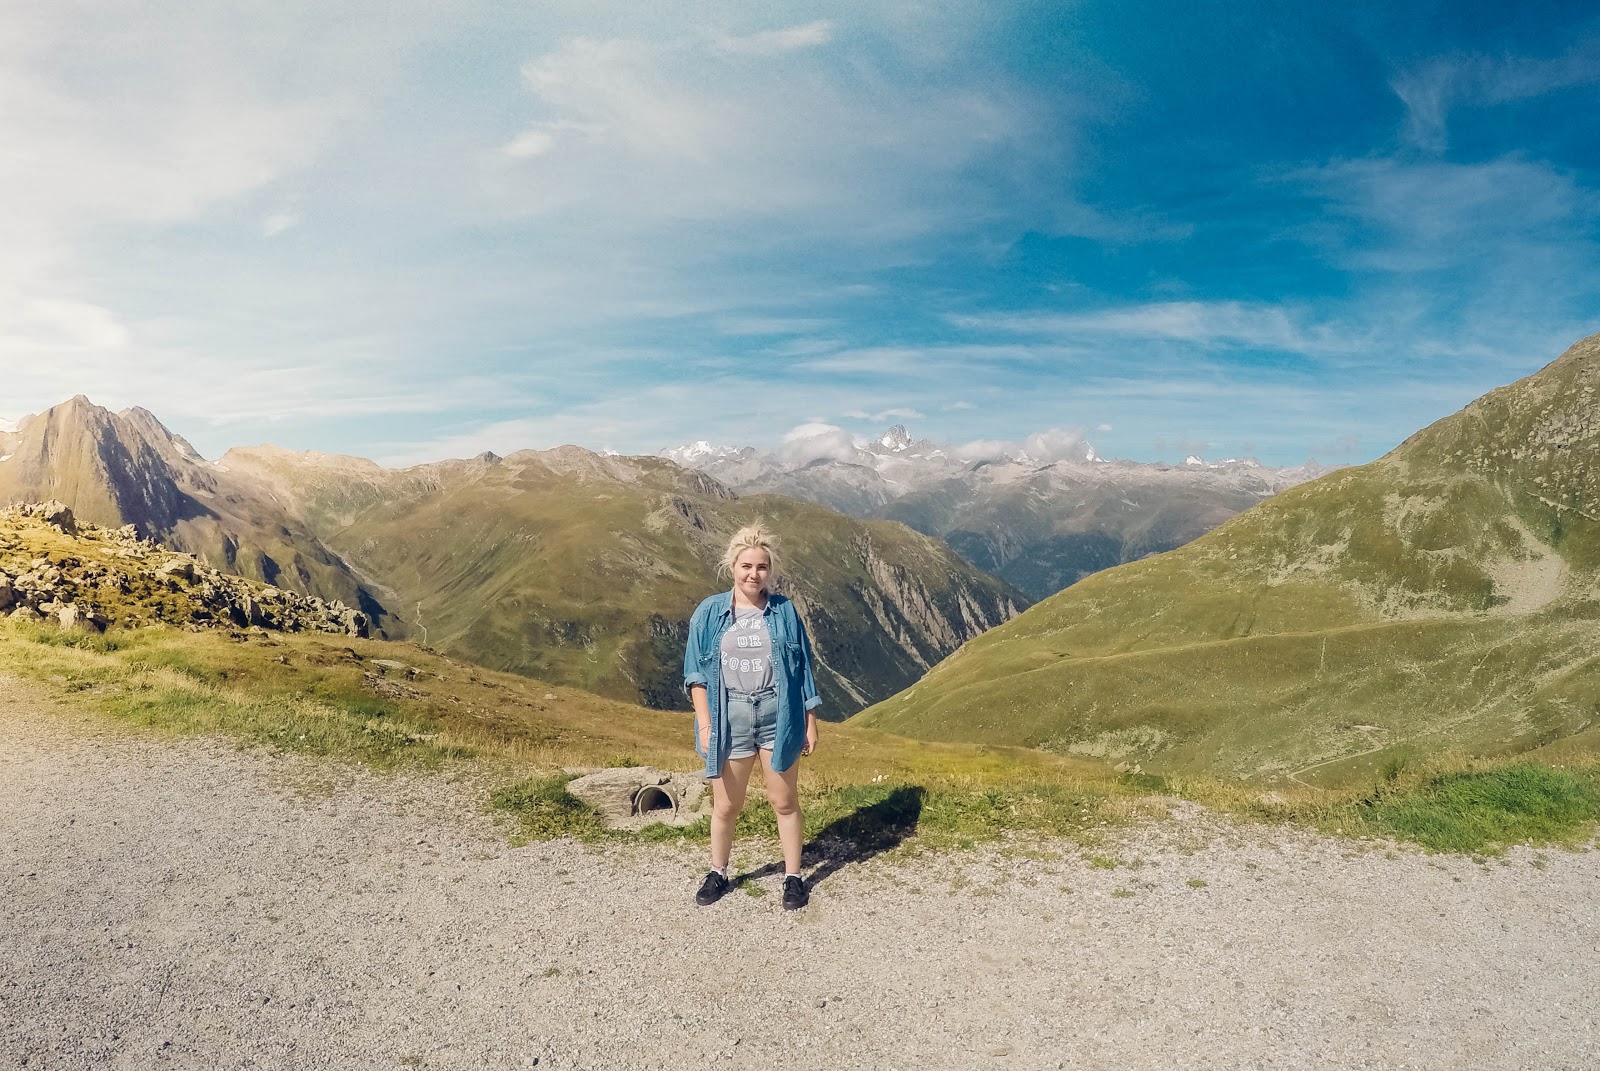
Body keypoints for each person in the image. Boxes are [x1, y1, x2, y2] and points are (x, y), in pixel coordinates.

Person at [683, 522, 821, 910]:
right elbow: (695, 674)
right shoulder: (709, 613)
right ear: (732, 567)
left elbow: (802, 666)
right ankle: (718, 871)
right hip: (730, 716)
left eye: (761, 567)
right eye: (746, 566)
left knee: (785, 801)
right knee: (727, 805)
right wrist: (706, 724)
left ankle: (793, 877)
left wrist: (810, 719)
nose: (753, 574)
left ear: (769, 570)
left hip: (779, 713)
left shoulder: (784, 611)